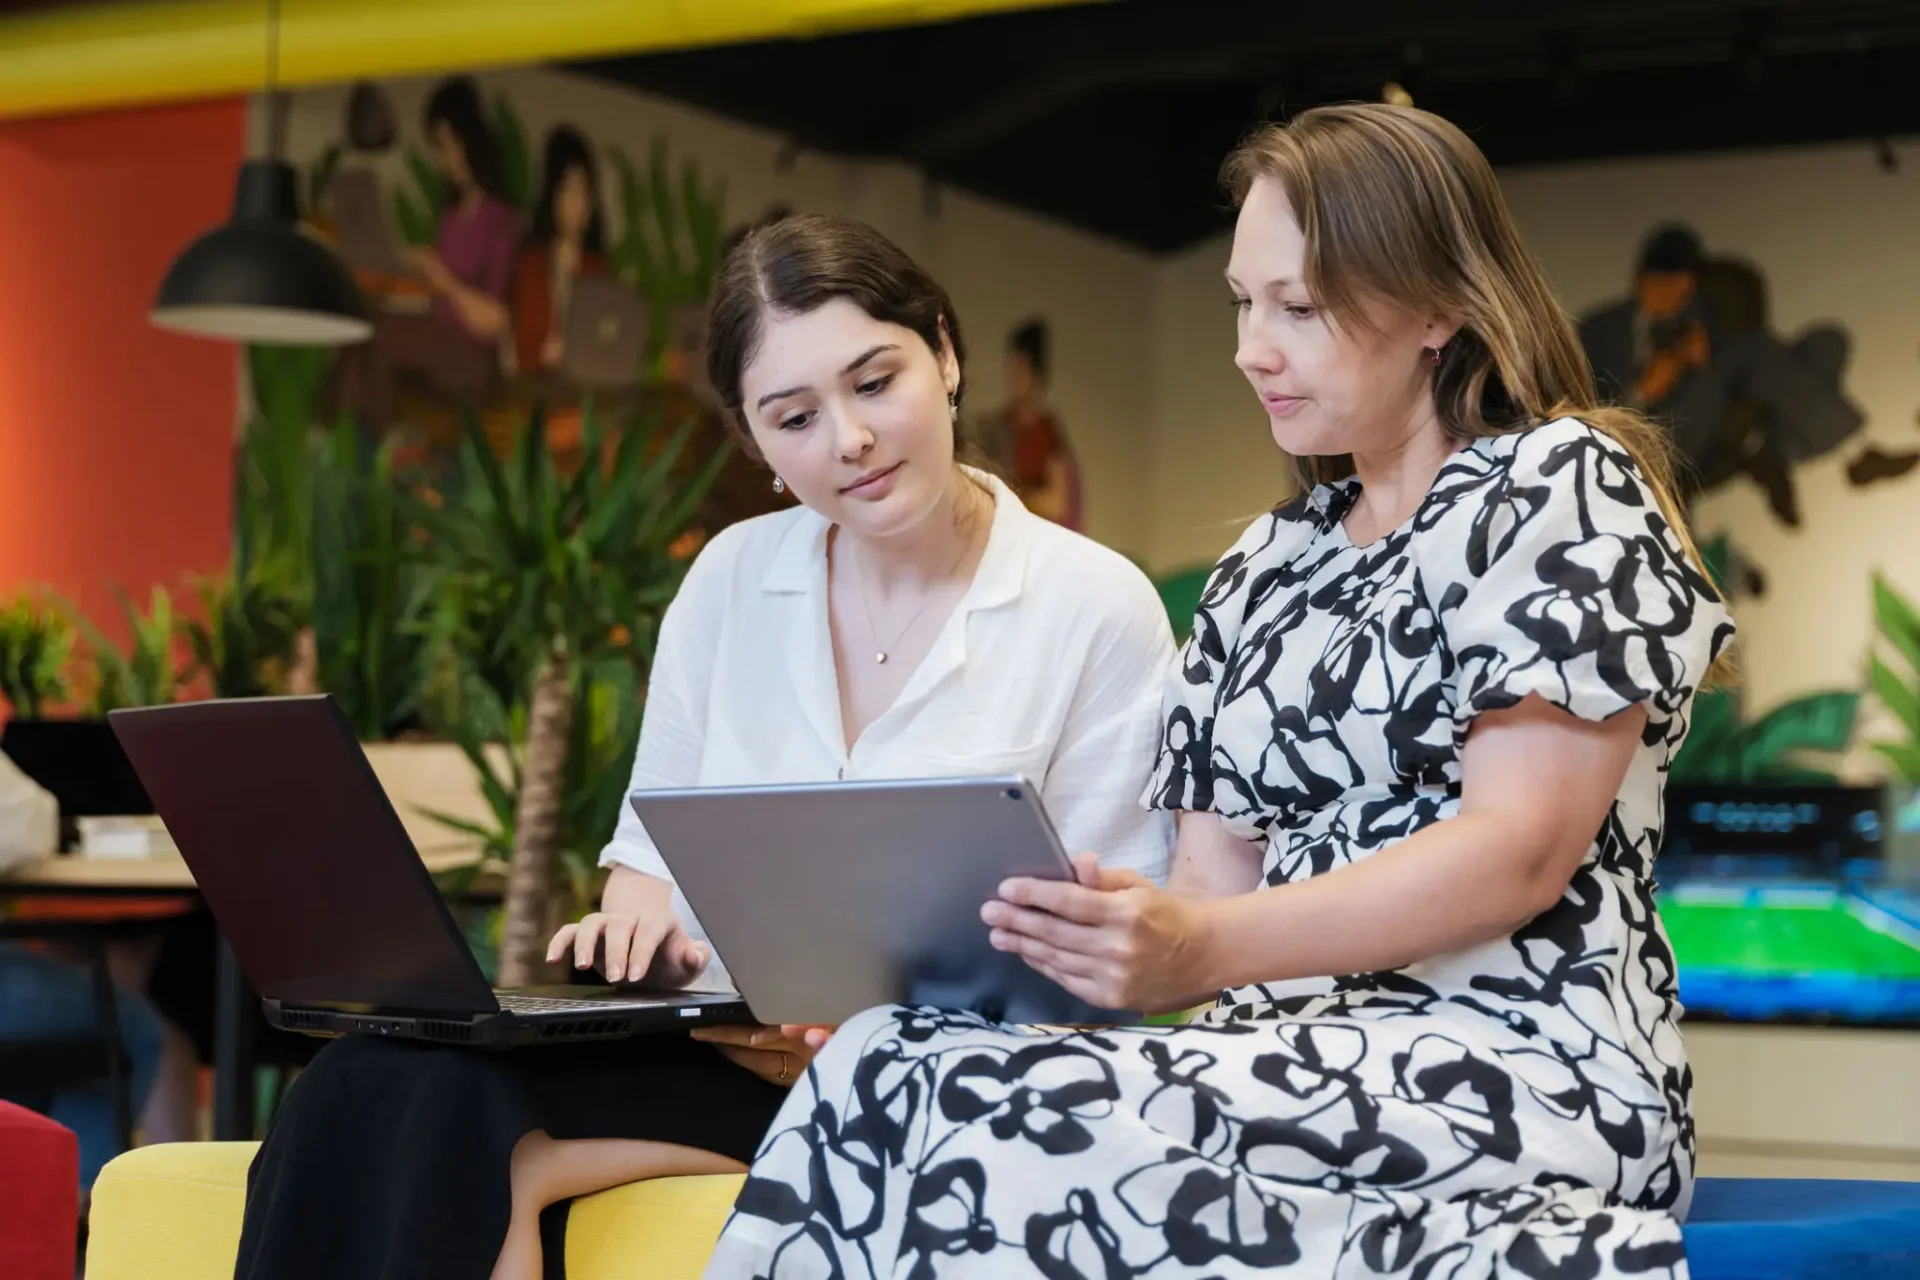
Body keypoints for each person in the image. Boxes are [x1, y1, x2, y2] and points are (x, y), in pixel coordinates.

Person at [704, 103, 1736, 1279]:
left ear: (1441, 304)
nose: (1253, 345)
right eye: (1244, 303)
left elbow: (1516, 851)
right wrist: (1037, 964)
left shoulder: (1560, 484)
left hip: (1517, 1061)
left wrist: (1201, 946)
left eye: (1298, 305)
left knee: (953, 1108)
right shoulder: (1262, 568)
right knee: (885, 1054)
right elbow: (1205, 893)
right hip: (1262, 1065)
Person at [231, 211, 1177, 1280]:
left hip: (955, 1076)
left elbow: (1113, 972)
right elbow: (646, 870)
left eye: (875, 383)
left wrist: (869, 1022)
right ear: (755, 439)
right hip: (729, 1050)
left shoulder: (1094, 605)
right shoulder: (731, 579)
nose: (848, 440)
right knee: (360, 1080)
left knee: (454, 1136)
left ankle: (535, 1158)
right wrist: (642, 944)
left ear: (947, 354)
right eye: (794, 416)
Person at [511, 125, 609, 378]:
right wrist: (547, 352)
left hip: (586, 383)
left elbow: (606, 338)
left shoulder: (597, 268)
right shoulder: (531, 263)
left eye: (585, 192)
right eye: (569, 190)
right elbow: (524, 345)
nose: (579, 203)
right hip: (539, 385)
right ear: (552, 195)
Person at [985, 319, 1083, 530]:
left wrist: (1015, 495)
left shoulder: (1046, 432)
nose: (1014, 376)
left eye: (1021, 368)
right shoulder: (1000, 425)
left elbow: (1057, 504)